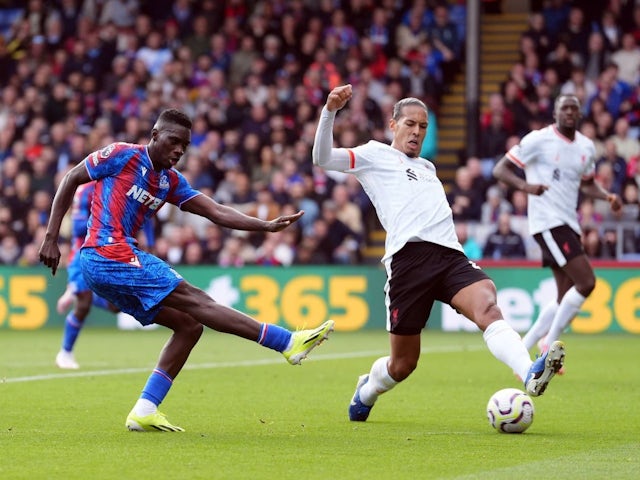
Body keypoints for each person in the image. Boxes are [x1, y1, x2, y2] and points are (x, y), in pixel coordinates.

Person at [39, 109, 334, 432]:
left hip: (113, 263)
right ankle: (286, 342)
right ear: (154, 136)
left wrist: (263, 225)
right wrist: (52, 237)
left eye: (185, 146)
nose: (179, 150)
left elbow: (215, 211)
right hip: (105, 253)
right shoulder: (122, 155)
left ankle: (145, 408)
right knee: (198, 300)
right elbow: (71, 178)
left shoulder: (169, 181)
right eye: (174, 141)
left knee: (190, 324)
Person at [312, 84, 565, 423]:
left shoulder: (429, 169)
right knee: (403, 365)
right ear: (393, 125)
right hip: (408, 261)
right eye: (410, 124)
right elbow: (322, 158)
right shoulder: (374, 154)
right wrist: (330, 111)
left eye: (423, 126)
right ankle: (368, 389)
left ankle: (528, 373)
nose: (416, 131)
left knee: (488, 306)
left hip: (449, 256)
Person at [493, 94, 622, 355]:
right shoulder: (538, 140)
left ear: (580, 114)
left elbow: (586, 184)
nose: (570, 112)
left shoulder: (586, 147)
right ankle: (548, 346)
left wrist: (606, 196)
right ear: (555, 112)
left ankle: (523, 348)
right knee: (586, 282)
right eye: (565, 107)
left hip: (568, 223)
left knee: (565, 297)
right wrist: (526, 186)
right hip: (547, 221)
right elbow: (500, 169)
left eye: (574, 108)